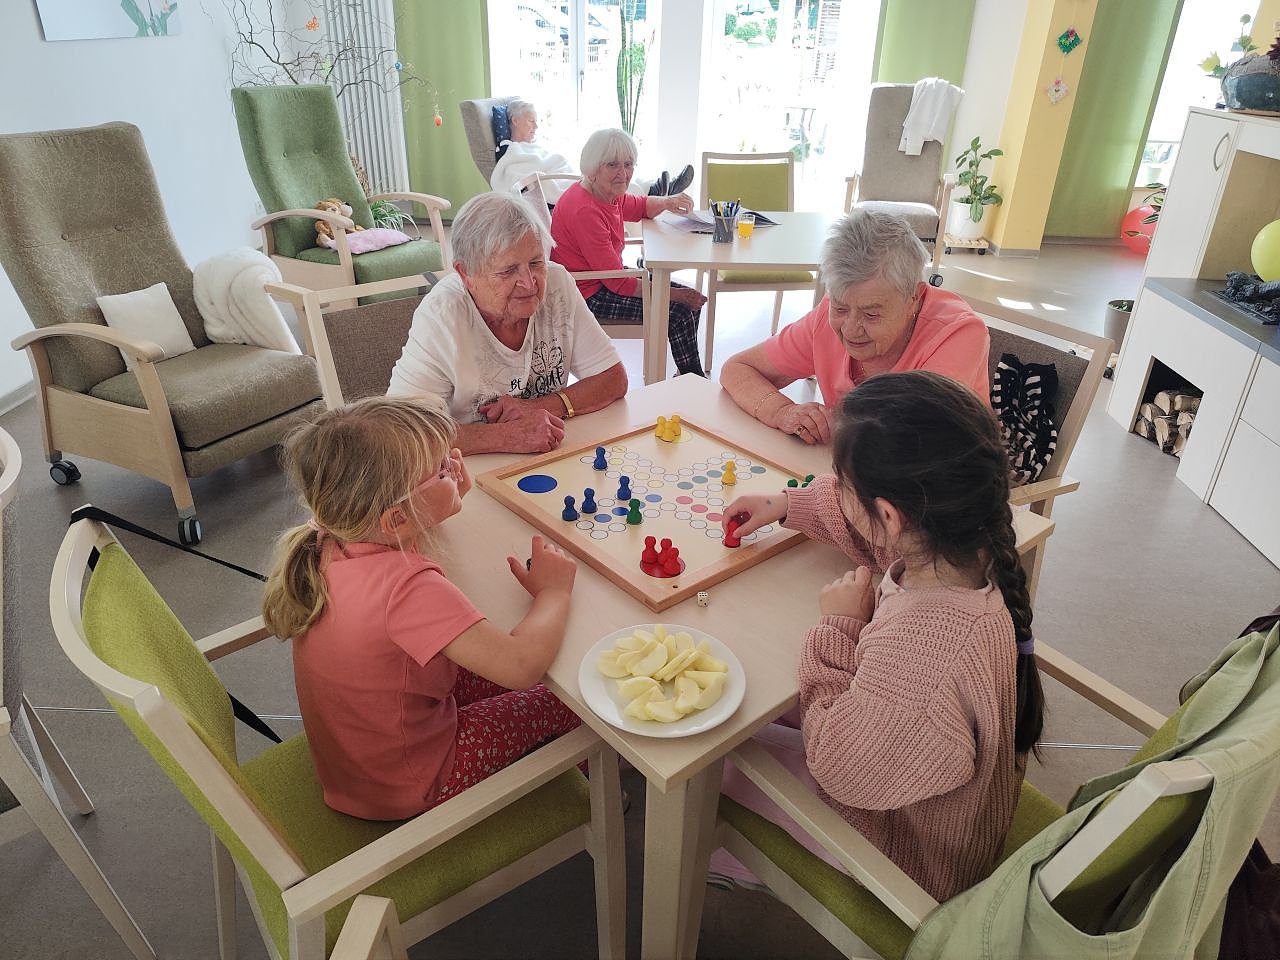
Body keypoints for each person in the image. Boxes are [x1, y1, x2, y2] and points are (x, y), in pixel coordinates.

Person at [711, 371, 1045, 901]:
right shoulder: (962, 546)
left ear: (889, 515)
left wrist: (839, 630)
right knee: (754, 694)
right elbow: (866, 530)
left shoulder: (926, 656)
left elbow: (840, 766)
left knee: (719, 754)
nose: (835, 491)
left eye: (842, 484)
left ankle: (739, 858)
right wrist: (788, 504)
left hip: (907, 851)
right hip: (920, 778)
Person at [262, 395, 583, 821]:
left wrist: (441, 496)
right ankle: (586, 795)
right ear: (397, 518)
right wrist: (553, 593)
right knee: (565, 699)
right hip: (414, 781)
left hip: (360, 763)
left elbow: (397, 536)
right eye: (442, 469)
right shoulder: (410, 590)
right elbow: (521, 665)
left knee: (512, 671)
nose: (455, 465)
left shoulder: (331, 539)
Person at [720, 209, 992, 445]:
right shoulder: (825, 320)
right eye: (840, 308)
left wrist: (834, 426)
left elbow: (907, 445)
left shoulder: (959, 336)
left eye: (871, 314)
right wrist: (781, 411)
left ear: (915, 298)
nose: (850, 329)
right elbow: (738, 369)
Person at [388, 192, 627, 455]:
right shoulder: (442, 315)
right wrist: (506, 436)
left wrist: (540, 407)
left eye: (536, 263)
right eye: (508, 271)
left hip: (547, 456)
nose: (529, 282)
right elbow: (402, 431)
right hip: (468, 466)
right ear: (466, 274)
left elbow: (613, 378)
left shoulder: (557, 285)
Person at [551, 127, 709, 378]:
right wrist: (677, 295)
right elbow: (618, 282)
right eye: (613, 165)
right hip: (587, 294)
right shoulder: (585, 210)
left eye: (628, 164)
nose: (623, 173)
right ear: (593, 168)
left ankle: (687, 376)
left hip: (604, 277)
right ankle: (693, 379)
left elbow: (641, 206)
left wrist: (667, 201)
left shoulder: (606, 193)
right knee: (681, 310)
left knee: (691, 302)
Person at [490, 99, 694, 203]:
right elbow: (512, 180)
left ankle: (656, 187)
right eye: (531, 121)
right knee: (609, 178)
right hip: (561, 182)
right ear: (515, 120)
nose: (536, 126)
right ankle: (655, 192)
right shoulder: (511, 151)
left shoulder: (533, 145)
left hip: (567, 174)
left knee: (615, 168)